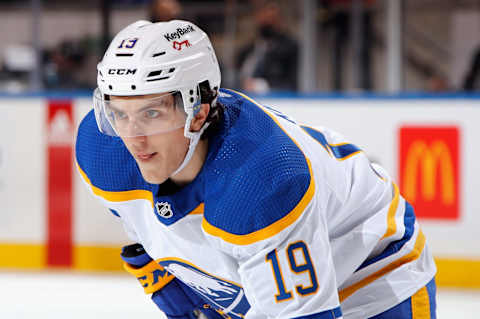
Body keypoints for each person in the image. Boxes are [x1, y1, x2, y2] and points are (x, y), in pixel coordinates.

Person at [76, 20, 437, 319]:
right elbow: (145, 233)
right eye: (119, 114)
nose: (132, 138)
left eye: (152, 113)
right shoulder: (102, 146)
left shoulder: (262, 181)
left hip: (374, 277)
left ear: (198, 111)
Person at [236, 1, 298, 93]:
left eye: (272, 19)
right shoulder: (249, 48)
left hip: (273, 98)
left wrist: (261, 85)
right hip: (243, 95)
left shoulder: (289, 47)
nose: (267, 22)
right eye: (264, 19)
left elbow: (290, 83)